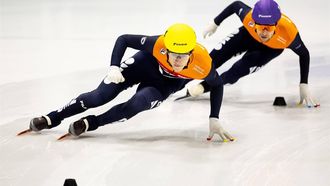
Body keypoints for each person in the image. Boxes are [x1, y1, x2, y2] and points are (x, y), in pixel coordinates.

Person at [27, 23, 234, 142]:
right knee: (99, 96)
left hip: (162, 86)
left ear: (191, 52)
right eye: (173, 54)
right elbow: (124, 38)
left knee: (137, 104)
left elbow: (217, 84)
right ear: (166, 49)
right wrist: (114, 66)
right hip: (143, 65)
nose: (177, 60)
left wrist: (214, 117)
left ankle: (91, 123)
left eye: (182, 55)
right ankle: (52, 118)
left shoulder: (203, 64)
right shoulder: (157, 43)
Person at [185, 0, 319, 107]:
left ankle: (203, 87)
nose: (264, 32)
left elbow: (304, 54)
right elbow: (235, 5)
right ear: (254, 21)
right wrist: (215, 23)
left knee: (237, 71)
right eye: (260, 26)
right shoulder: (248, 17)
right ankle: (179, 79)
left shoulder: (289, 34)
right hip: (247, 35)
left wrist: (304, 84)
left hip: (270, 49)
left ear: (276, 24)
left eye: (269, 27)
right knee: (211, 60)